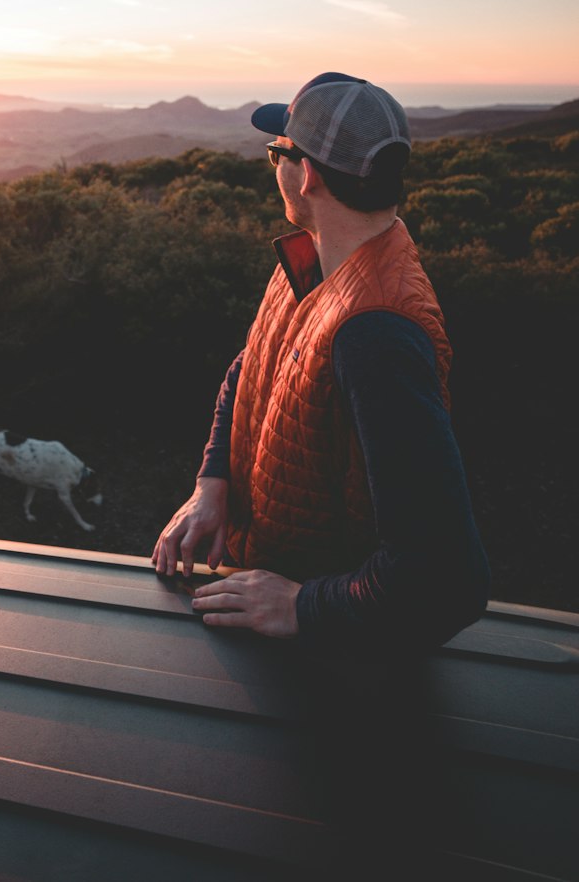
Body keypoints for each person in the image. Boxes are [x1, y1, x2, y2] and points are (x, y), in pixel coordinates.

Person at [152, 71, 490, 657]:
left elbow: (445, 581)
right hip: (263, 597)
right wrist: (214, 482)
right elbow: (251, 365)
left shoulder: (378, 330)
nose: (274, 166)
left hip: (335, 667)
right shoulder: (317, 259)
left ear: (305, 174)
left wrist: (303, 606)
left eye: (276, 152)